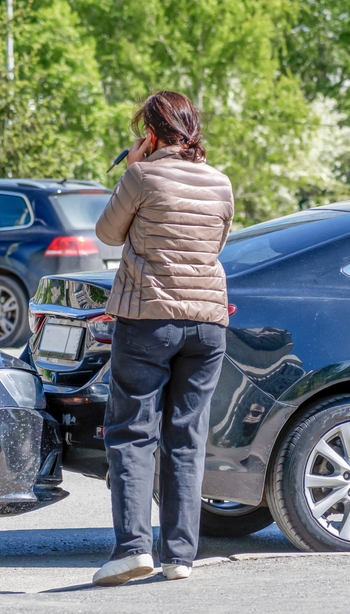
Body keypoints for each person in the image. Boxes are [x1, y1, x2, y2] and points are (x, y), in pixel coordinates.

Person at [92, 90, 234, 586]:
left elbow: (108, 233)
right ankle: (180, 556)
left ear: (150, 134)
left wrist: (131, 167)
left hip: (149, 318)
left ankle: (133, 549)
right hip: (208, 323)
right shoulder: (221, 183)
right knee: (187, 437)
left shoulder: (142, 175)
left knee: (133, 432)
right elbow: (216, 244)